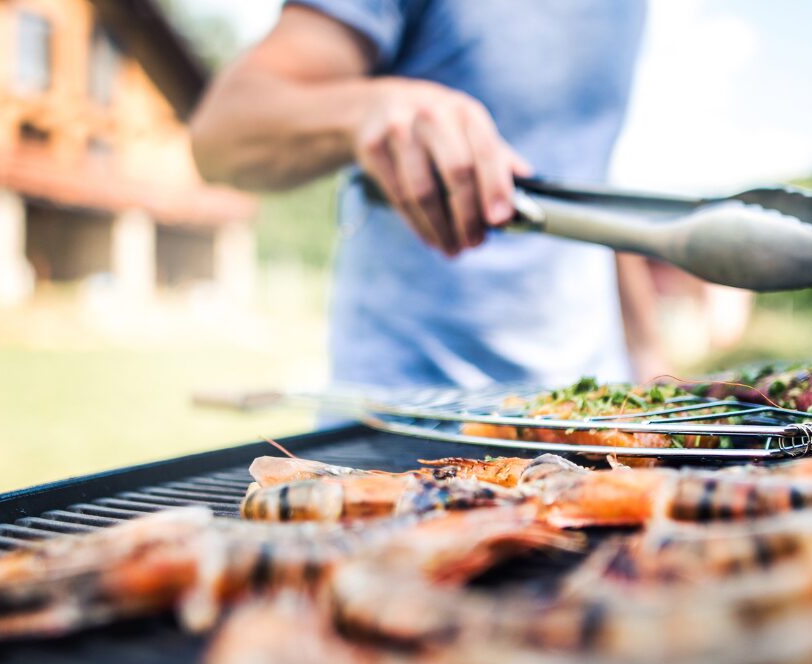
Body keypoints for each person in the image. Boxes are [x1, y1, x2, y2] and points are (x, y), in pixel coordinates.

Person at [190, 1, 665, 389]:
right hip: (404, 421)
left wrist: (649, 357)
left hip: (589, 403)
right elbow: (221, 132)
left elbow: (586, 171)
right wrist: (370, 107)